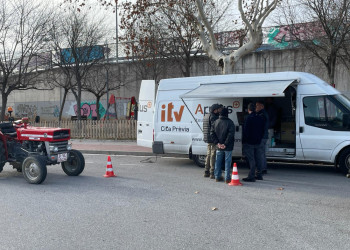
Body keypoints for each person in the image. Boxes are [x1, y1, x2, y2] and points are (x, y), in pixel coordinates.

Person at [210, 108, 235, 183]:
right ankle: (227, 178)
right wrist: (225, 144)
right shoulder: (230, 122)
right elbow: (231, 134)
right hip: (228, 146)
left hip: (219, 146)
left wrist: (218, 143)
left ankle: (217, 176)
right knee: (227, 162)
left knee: (218, 161)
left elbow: (212, 133)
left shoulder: (215, 122)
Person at [242, 103, 265, 182]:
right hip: (258, 141)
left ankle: (251, 176)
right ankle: (259, 175)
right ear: (255, 109)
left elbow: (246, 131)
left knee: (251, 159)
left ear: (248, 110)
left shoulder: (248, 118)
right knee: (258, 158)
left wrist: (245, 140)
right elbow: (263, 130)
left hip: (249, 142)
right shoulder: (260, 118)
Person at [202, 103, 222, 178]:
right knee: (213, 155)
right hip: (212, 138)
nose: (219, 111)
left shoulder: (206, 115)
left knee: (208, 154)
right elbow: (215, 128)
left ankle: (206, 171)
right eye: (218, 109)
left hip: (207, 138)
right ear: (215, 110)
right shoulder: (213, 117)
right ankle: (212, 172)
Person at [256, 100, 269, 175]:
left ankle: (262, 168)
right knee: (262, 153)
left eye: (257, 106)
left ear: (262, 106)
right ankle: (263, 168)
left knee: (260, 153)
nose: (256, 107)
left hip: (262, 137)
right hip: (264, 136)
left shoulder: (262, 115)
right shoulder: (263, 114)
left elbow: (260, 127)